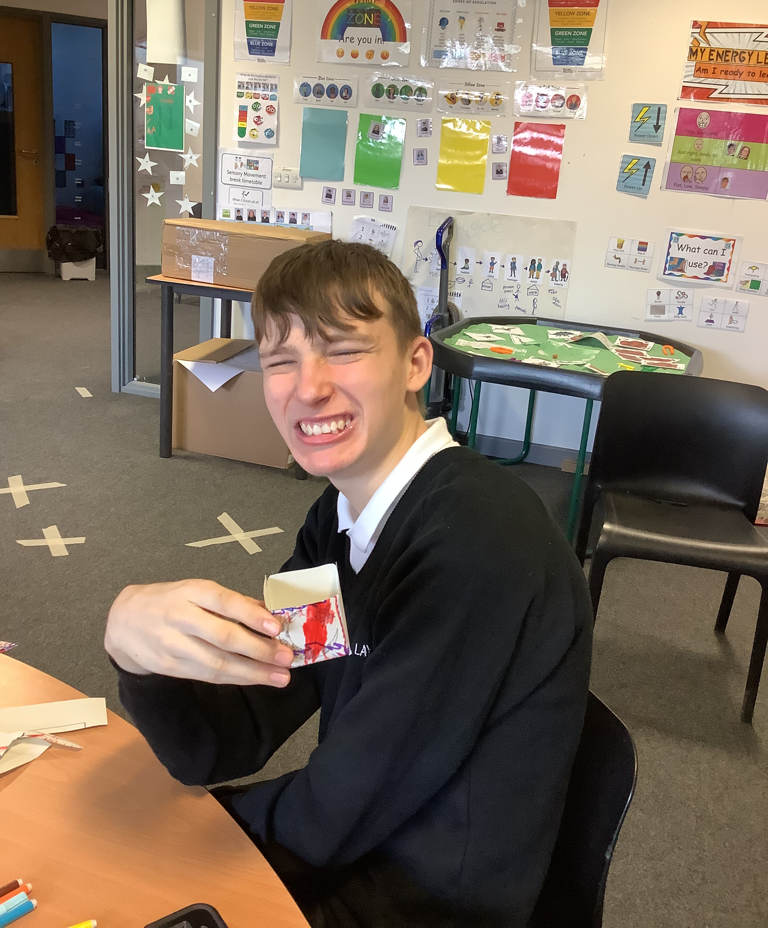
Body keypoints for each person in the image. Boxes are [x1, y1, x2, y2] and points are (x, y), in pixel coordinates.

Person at [105, 241, 592, 928]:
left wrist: (173, 845)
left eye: (344, 349)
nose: (308, 387)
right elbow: (233, 733)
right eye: (281, 360)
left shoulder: (476, 548)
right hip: (350, 859)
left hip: (423, 904)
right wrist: (137, 652)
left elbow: (334, 811)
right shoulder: (336, 522)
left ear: (415, 364)